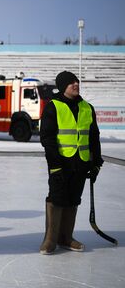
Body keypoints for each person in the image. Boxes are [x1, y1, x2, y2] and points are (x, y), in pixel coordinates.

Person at [39, 70, 103, 254]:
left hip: (82, 163)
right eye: (70, 82)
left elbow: (93, 137)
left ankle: (66, 238)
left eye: (76, 81)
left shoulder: (87, 107)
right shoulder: (53, 106)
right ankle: (50, 239)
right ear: (62, 87)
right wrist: (55, 166)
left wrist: (96, 162)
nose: (75, 84)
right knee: (56, 198)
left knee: (73, 199)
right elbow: (47, 139)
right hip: (61, 163)